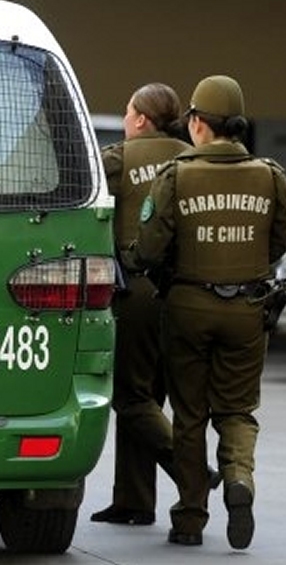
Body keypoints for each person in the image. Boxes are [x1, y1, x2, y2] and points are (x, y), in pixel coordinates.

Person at [124, 75, 286, 548]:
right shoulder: (271, 175)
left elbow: (152, 249)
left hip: (187, 308)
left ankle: (190, 518)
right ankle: (239, 478)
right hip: (248, 309)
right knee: (237, 409)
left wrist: (134, 259)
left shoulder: (177, 175)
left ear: (197, 123)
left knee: (190, 415)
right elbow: (275, 244)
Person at [91, 83, 191, 527]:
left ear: (141, 120)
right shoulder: (193, 159)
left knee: (131, 395)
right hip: (187, 294)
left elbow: (80, 188)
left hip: (139, 292)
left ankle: (189, 473)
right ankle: (134, 501)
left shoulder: (119, 159)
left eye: (128, 111)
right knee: (154, 398)